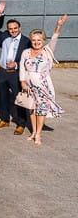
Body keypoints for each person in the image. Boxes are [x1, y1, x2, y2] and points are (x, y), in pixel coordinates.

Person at [20, 15, 68, 146]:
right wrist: (22, 82)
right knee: (31, 109)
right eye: (34, 40)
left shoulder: (48, 50)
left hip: (43, 86)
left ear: (43, 40)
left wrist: (59, 26)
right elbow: (22, 69)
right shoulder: (26, 52)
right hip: (29, 85)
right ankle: (34, 132)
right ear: (31, 40)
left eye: (39, 40)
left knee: (41, 109)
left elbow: (55, 38)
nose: (36, 42)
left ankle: (39, 134)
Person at [0, 19, 31, 135]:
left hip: (15, 73)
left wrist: (16, 64)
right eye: (10, 28)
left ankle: (21, 124)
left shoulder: (26, 42)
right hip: (3, 72)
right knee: (2, 97)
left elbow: (28, 59)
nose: (13, 30)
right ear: (7, 29)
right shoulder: (5, 37)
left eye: (15, 28)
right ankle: (4, 120)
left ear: (19, 28)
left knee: (19, 99)